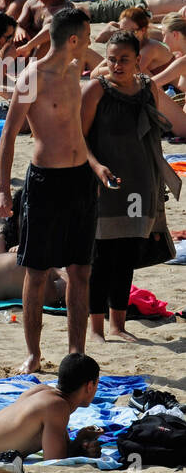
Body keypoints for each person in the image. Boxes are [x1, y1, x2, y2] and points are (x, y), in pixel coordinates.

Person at [0, 7, 111, 373]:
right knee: (38, 270)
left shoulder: (76, 68)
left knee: (80, 271)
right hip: (46, 182)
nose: (92, 41)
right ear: (74, 39)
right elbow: (8, 134)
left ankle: (75, 352)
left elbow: (76, 128)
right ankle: (33, 353)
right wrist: (2, 189)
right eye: (87, 35)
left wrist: (93, 168)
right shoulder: (33, 78)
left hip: (80, 179)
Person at [82, 32, 186, 341]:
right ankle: (97, 328)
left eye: (123, 59)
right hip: (106, 184)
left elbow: (156, 136)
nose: (116, 65)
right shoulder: (96, 90)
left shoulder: (148, 88)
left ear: (138, 60)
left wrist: (158, 187)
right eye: (111, 59)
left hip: (140, 183)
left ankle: (119, 326)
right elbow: (79, 137)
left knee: (126, 254)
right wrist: (96, 167)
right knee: (101, 256)